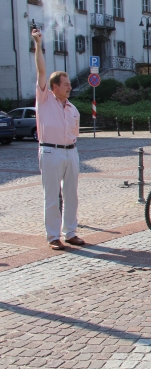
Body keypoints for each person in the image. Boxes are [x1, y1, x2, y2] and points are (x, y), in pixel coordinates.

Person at [32, 29, 85, 250]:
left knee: (71, 194)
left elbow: (75, 132)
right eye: (66, 84)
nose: (70, 87)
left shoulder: (72, 108)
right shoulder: (45, 99)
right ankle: (53, 236)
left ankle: (70, 232)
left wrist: (71, 148)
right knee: (52, 195)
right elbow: (41, 70)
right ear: (55, 87)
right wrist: (38, 43)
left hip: (70, 151)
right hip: (51, 151)